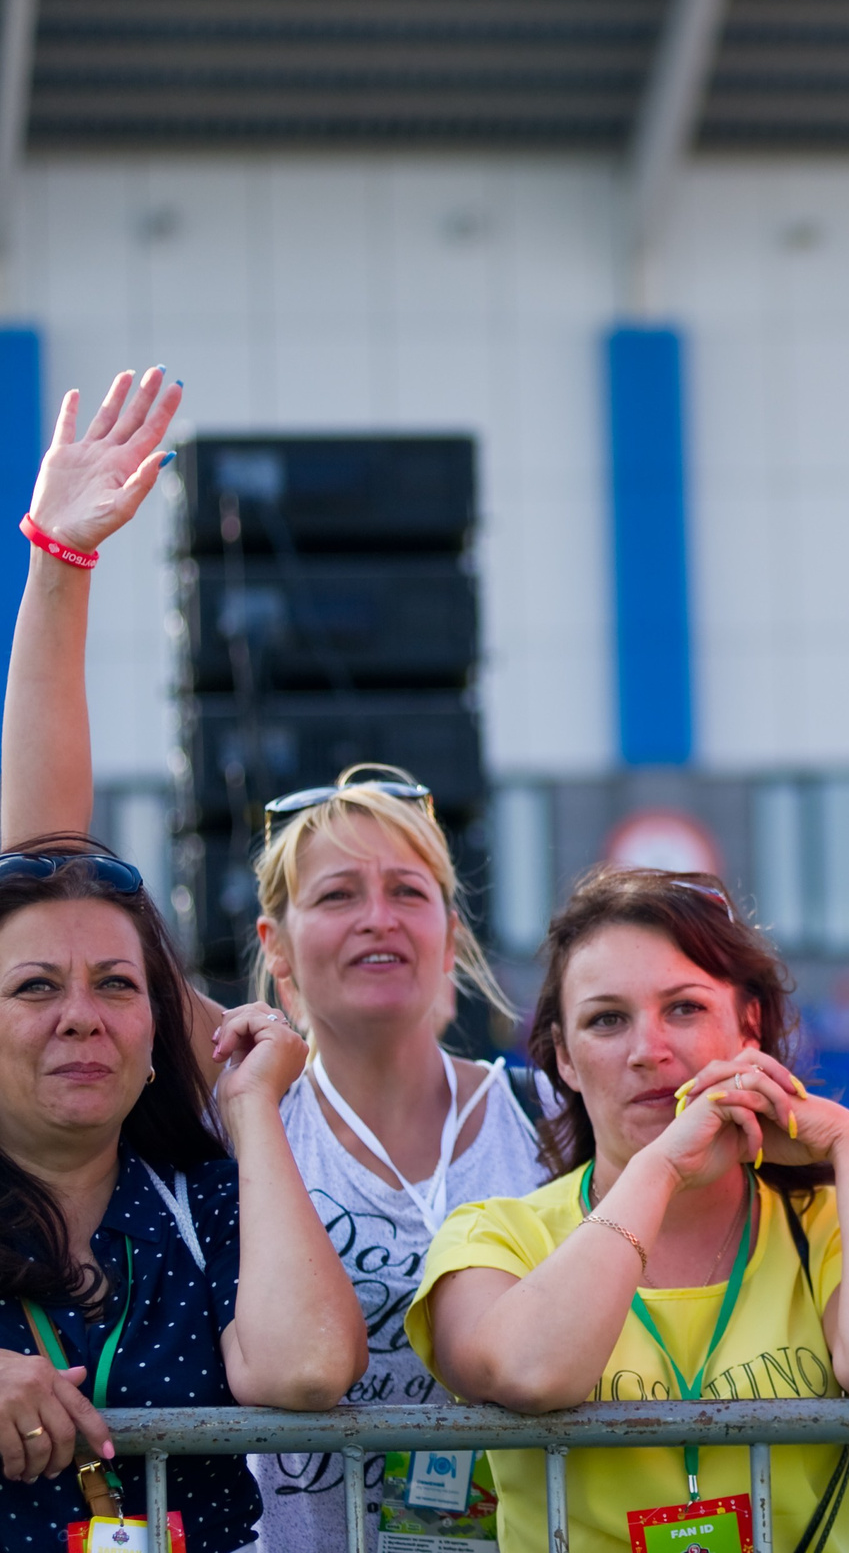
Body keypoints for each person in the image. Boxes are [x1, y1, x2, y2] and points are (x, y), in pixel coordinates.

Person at [0, 364, 555, 1550]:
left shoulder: (547, 1115)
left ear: (452, 933)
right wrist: (61, 560)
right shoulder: (231, 1071)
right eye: (335, 893)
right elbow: (45, 868)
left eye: (409, 891)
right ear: (274, 947)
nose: (375, 918)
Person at [409, 866, 849, 1553]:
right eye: (607, 1020)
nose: (651, 1051)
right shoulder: (494, 1235)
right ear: (564, 1060)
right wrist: (661, 1168)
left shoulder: (823, 1223)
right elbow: (532, 1372)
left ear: (748, 1027)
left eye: (684, 1008)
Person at [0, 837, 367, 1553]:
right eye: (36, 986)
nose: (82, 1016)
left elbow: (309, 1368)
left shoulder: (208, 1202)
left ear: (155, 1033)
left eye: (116, 984)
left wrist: (252, 1104)